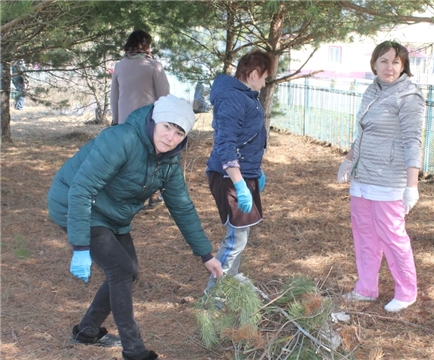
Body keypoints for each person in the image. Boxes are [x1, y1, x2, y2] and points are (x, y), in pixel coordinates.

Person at [47, 94, 223, 360]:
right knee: (121, 269)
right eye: (166, 127)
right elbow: (81, 191)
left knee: (129, 272)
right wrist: (81, 245)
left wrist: (206, 254)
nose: (169, 137)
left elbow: (183, 208)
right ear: (153, 120)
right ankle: (134, 351)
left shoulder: (168, 163)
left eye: (178, 133)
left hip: (112, 214)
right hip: (74, 204)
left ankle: (87, 330)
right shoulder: (121, 139)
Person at [337, 41, 425, 313]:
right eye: (384, 61)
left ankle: (407, 291)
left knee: (393, 238)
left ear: (403, 66)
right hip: (362, 179)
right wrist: (349, 160)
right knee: (364, 236)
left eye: (396, 62)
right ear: (374, 63)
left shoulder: (409, 96)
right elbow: (365, 132)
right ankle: (366, 287)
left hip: (389, 182)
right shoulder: (371, 90)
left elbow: (413, 141)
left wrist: (412, 185)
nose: (390, 67)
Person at [204, 49, 274, 294]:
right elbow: (226, 143)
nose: (265, 84)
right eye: (264, 77)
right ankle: (215, 292)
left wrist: (255, 172)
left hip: (243, 174)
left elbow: (248, 138)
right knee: (236, 237)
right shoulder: (234, 98)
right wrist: (240, 183)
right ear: (254, 74)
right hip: (229, 176)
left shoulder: (246, 95)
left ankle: (231, 277)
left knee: (241, 232)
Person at [110, 29, 170, 209]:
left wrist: (116, 120)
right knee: (150, 158)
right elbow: (164, 96)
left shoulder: (120, 66)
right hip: (148, 121)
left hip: (125, 122)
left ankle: (130, 196)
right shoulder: (154, 66)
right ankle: (151, 194)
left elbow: (114, 97)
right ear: (146, 46)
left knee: (128, 159)